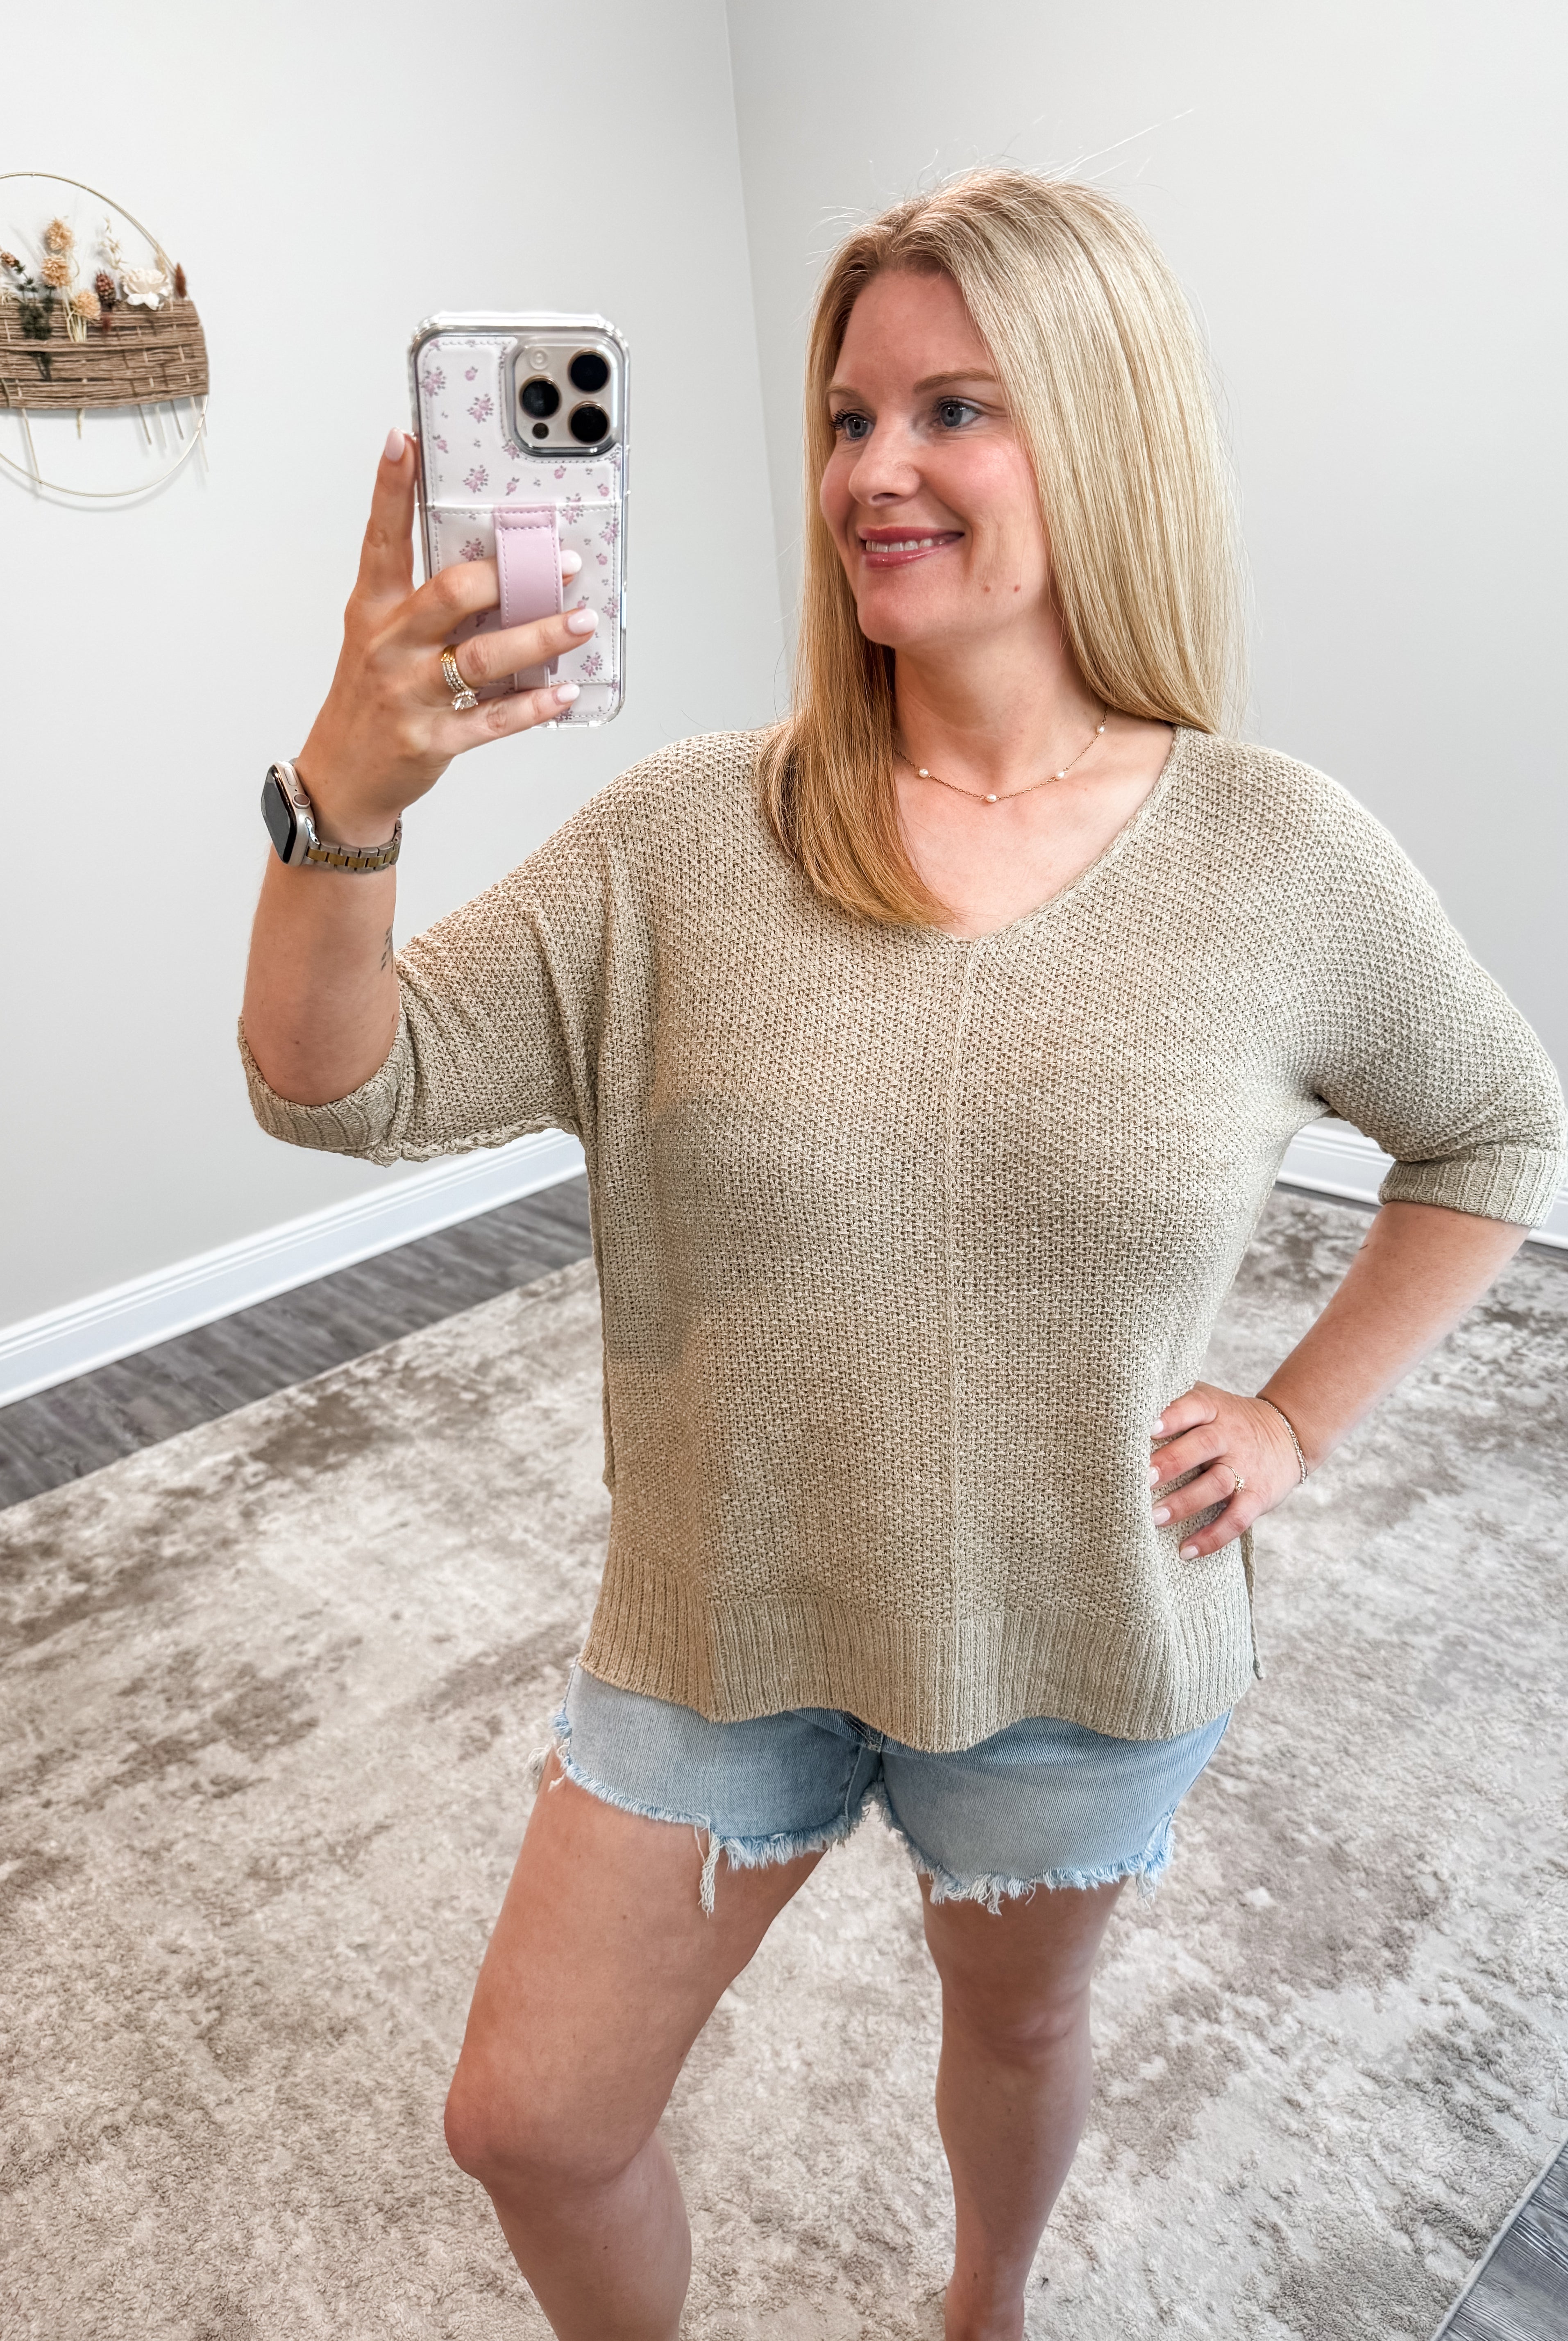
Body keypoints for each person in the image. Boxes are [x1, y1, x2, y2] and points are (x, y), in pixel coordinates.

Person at [240, 170, 1565, 2341]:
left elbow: (1496, 1125)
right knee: (532, 2123)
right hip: (725, 1613)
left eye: (955, 409)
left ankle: (984, 2304)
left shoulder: (1278, 855)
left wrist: (1295, 1419)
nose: (873, 471)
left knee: (1018, 2025)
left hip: (1078, 1626)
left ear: (1103, 433)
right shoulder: (689, 838)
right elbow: (335, 1084)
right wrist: (344, 808)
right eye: (848, 418)